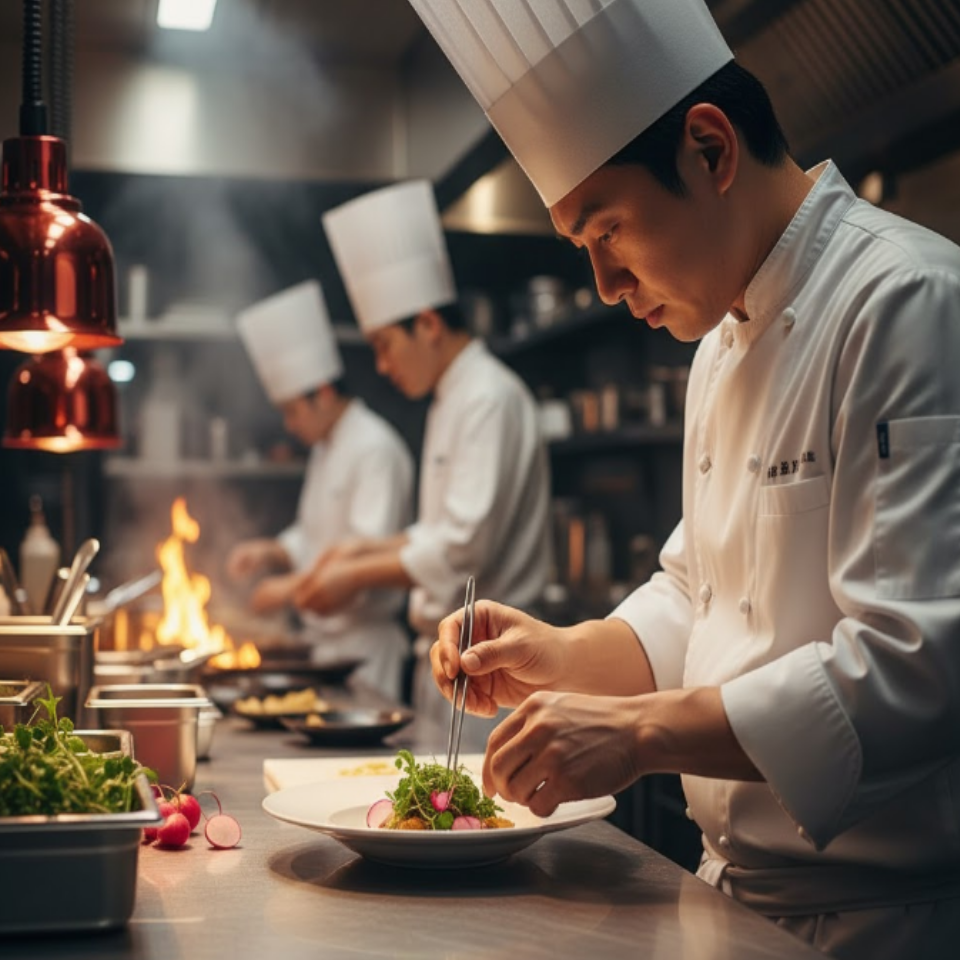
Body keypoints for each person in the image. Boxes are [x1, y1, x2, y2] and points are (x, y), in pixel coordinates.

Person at [408, 0, 960, 957]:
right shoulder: (716, 344)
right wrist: (560, 654)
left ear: (710, 150)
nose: (606, 285)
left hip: (884, 922)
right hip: (729, 903)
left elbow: (919, 664)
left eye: (608, 231)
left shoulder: (906, 301)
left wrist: (640, 734)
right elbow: (697, 599)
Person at [293, 180, 551, 743]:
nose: (381, 366)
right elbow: (438, 530)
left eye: (384, 345)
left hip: (494, 671)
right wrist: (361, 550)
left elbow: (463, 546)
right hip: (450, 661)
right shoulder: (451, 396)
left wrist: (355, 573)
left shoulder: (486, 396)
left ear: (428, 325)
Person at [228, 280, 414, 699]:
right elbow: (313, 534)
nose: (289, 425)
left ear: (324, 393)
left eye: (292, 411)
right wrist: (273, 551)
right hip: (323, 644)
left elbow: (366, 554)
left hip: (365, 648)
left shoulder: (375, 447)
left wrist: (286, 589)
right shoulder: (326, 447)